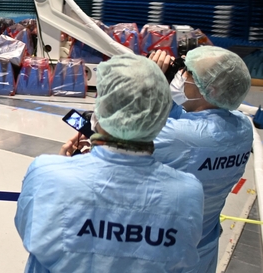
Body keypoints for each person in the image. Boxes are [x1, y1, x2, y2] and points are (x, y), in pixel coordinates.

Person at [16, 54, 205, 272]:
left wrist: (64, 169)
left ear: (101, 109)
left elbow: (30, 232)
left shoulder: (46, 173)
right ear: (160, 114)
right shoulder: (188, 192)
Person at [150, 46, 253, 273]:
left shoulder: (182, 137)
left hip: (164, 250)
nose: (181, 76)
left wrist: (149, 84)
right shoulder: (243, 126)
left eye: (187, 73)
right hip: (203, 244)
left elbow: (113, 128)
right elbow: (188, 116)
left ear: (211, 89)